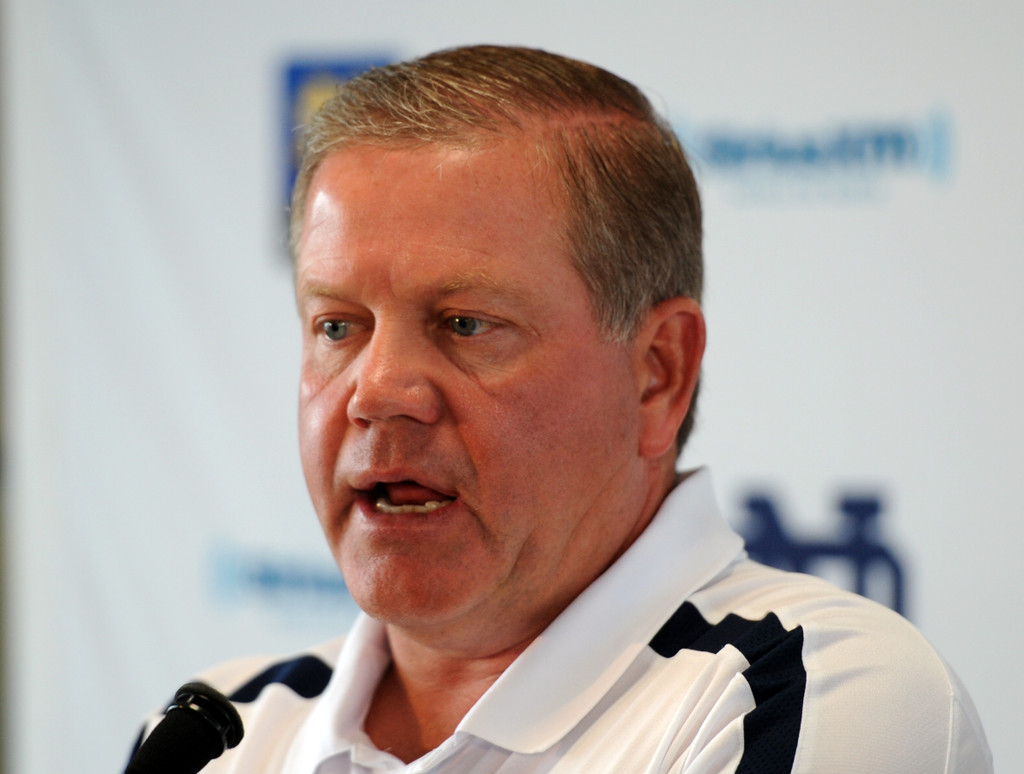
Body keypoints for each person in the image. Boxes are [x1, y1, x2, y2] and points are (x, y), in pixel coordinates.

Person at [130, 45, 992, 772]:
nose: (377, 390)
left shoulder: (808, 694)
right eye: (336, 326)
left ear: (658, 374)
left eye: (465, 323)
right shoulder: (215, 737)